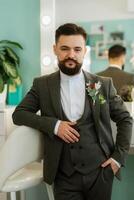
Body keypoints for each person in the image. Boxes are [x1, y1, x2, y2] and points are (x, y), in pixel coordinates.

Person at [12, 23, 132, 200]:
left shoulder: (101, 85)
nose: (71, 55)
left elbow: (125, 119)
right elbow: (19, 114)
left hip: (101, 173)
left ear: (84, 51)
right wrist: (54, 125)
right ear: (55, 49)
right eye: (65, 48)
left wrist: (117, 158)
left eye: (77, 49)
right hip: (63, 176)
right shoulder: (42, 85)